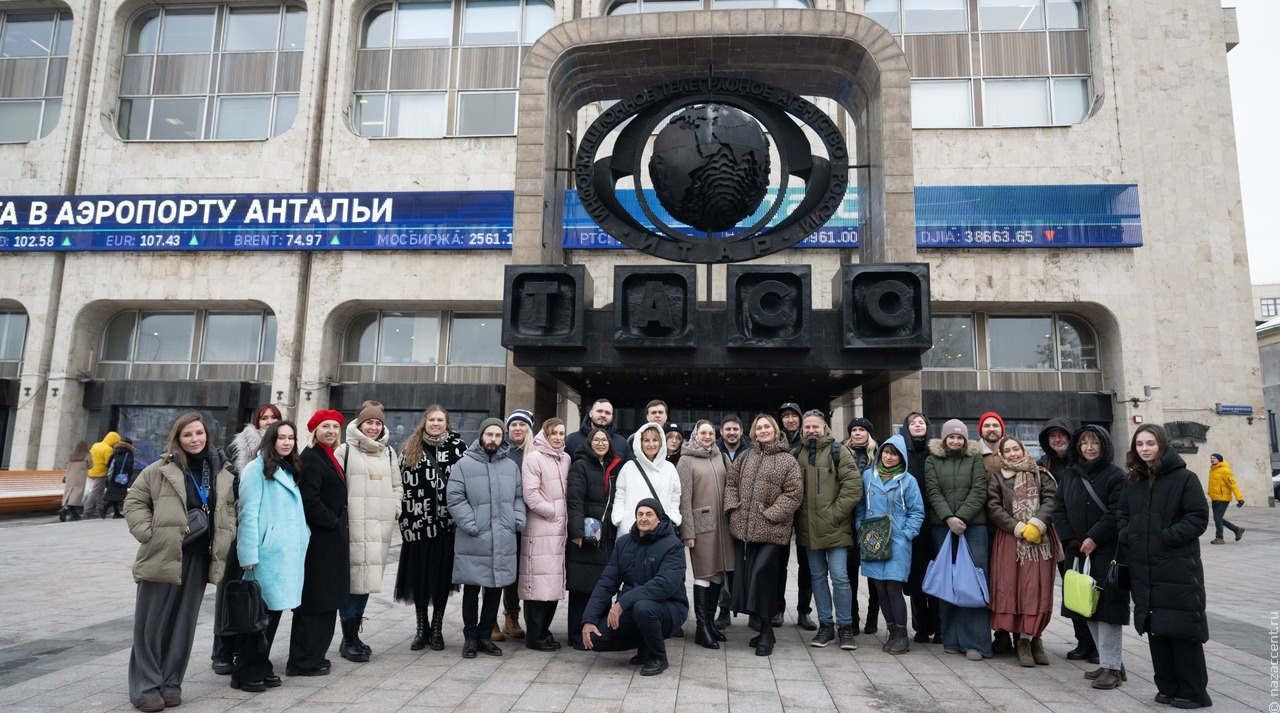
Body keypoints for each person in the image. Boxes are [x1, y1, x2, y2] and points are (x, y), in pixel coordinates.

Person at [124, 412, 234, 712]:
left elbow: (230, 507)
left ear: (207, 435)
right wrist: (150, 534)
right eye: (188, 435)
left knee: (183, 625)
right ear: (177, 439)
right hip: (163, 555)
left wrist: (228, 531)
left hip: (199, 558)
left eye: (199, 433)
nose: (195, 439)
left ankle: (171, 684)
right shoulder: (159, 469)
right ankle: (145, 688)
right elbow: (133, 502)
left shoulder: (219, 471)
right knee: (151, 625)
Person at [1118, 424, 1212, 709]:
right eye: (1140, 444)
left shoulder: (1185, 478)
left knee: (1181, 629)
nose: (1144, 449)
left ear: (1162, 445)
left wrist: (1165, 537)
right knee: (1156, 627)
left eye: (1150, 443)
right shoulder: (1133, 481)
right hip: (1144, 567)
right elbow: (1121, 513)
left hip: (1176, 567)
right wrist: (1129, 535)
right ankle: (1167, 686)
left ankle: (1194, 691)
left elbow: (1197, 517)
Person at [232, 421, 309, 692]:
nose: (287, 442)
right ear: (270, 440)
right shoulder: (255, 469)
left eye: (291, 438)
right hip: (265, 554)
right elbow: (248, 514)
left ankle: (261, 665)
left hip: (285, 554)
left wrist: (303, 536)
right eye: (281, 438)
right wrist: (248, 553)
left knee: (272, 615)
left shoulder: (288, 469)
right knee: (257, 617)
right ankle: (245, 671)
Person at [1053, 425, 1129, 691]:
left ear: (1104, 445)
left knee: (1108, 609)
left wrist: (1095, 537)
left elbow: (1117, 511)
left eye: (1094, 442)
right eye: (1083, 443)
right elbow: (1058, 508)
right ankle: (1111, 661)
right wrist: (1071, 540)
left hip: (1108, 552)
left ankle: (1111, 667)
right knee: (1088, 606)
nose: (1088, 447)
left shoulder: (1116, 476)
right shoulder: (1070, 475)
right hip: (1078, 550)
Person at [211, 404, 281, 676]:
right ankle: (222, 651)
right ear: (256, 421)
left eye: (274, 418)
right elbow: (225, 492)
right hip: (238, 527)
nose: (269, 422)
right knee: (230, 589)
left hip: (268, 532)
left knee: (256, 593)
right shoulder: (239, 448)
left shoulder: (283, 449)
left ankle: (245, 646)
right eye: (264, 418)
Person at [580, 499, 688, 676]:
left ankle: (658, 657)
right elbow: (606, 583)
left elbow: (664, 584)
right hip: (633, 608)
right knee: (594, 639)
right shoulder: (623, 544)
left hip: (670, 608)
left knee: (643, 607)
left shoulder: (673, 545)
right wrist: (589, 619)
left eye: (649, 514)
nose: (643, 518)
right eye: (640, 514)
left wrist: (622, 602)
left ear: (659, 518)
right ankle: (646, 642)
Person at [447, 417, 526, 659]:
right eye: (489, 434)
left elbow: (518, 497)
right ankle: (470, 638)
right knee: (472, 591)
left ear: (503, 438)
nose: (493, 439)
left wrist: (517, 520)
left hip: (503, 536)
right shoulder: (464, 465)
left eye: (498, 435)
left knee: (494, 590)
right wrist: (471, 524)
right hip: (475, 538)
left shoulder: (510, 466)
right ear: (482, 436)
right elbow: (455, 497)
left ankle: (485, 636)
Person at [724, 413, 802, 656]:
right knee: (750, 581)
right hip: (745, 532)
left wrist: (769, 514)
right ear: (754, 432)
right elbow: (731, 484)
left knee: (763, 580)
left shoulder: (787, 460)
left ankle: (766, 632)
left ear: (775, 430)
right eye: (759, 427)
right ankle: (763, 629)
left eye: (767, 426)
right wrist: (733, 508)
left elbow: (793, 494)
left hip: (772, 532)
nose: (763, 430)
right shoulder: (746, 456)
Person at [334, 400, 402, 663]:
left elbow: (398, 485)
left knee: (367, 583)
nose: (373, 427)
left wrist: (393, 509)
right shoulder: (345, 450)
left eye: (377, 423)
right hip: (352, 526)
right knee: (351, 583)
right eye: (368, 422)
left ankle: (352, 635)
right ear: (359, 423)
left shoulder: (388, 453)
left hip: (379, 527)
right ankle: (349, 638)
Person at [395, 405, 467, 651]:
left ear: (447, 423)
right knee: (419, 578)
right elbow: (400, 485)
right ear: (424, 422)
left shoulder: (459, 448)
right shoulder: (410, 448)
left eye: (440, 420)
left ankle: (437, 628)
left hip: (447, 526)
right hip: (416, 525)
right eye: (431, 419)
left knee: (440, 578)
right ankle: (421, 628)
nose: (435, 423)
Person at [986, 436, 1060, 668]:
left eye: (1015, 449)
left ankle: (1031, 639)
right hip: (1009, 540)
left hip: (1039, 542)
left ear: (1023, 450)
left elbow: (1051, 501)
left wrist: (1037, 524)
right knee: (1009, 588)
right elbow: (993, 506)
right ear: (1001, 455)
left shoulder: (1041, 474)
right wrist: (1018, 527)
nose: (1012, 454)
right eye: (1007, 451)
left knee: (1033, 589)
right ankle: (1018, 639)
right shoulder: (998, 477)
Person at [925, 419, 991, 660]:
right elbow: (933, 491)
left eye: (959, 437)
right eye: (950, 437)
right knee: (947, 580)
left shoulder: (974, 459)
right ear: (943, 440)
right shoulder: (933, 460)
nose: (955, 441)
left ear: (965, 440)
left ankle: (976, 643)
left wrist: (961, 517)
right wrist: (948, 518)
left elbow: (979, 490)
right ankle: (951, 639)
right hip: (942, 527)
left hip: (973, 526)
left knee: (972, 581)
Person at [289, 410, 349, 677]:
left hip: (329, 541)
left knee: (326, 601)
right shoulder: (312, 458)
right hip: (319, 541)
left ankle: (314, 656)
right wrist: (333, 522)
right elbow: (309, 501)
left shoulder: (329, 455)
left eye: (335, 427)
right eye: (325, 426)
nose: (331, 431)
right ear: (314, 430)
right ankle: (304, 661)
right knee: (316, 601)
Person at [795, 411, 861, 650]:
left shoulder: (839, 451)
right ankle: (826, 625)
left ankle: (845, 627)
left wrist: (834, 515)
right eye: (807, 427)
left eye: (815, 426)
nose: (811, 430)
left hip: (836, 529)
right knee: (817, 578)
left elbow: (853, 487)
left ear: (824, 428)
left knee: (840, 578)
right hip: (807, 530)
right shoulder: (797, 453)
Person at [856, 434, 925, 655]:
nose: (888, 456)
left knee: (893, 587)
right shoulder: (868, 476)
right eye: (886, 452)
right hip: (873, 538)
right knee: (880, 588)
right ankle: (892, 631)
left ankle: (902, 636)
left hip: (897, 540)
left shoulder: (908, 481)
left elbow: (917, 511)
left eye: (894, 453)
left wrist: (907, 533)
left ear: (901, 457)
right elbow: (859, 506)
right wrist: (861, 526)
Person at [1038, 417, 1095, 662]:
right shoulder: (1043, 465)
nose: (1058, 439)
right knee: (1073, 590)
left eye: (1062, 434)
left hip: (1090, 537)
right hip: (1060, 538)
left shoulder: (1084, 462)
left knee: (1094, 590)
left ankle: (1099, 644)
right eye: (1053, 436)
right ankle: (1083, 641)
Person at [676, 419, 733, 649]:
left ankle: (710, 622)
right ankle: (701, 628)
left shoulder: (720, 456)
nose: (708, 436)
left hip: (723, 526)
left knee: (719, 572)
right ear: (695, 434)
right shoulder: (686, 460)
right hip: (701, 526)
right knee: (703, 573)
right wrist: (687, 532)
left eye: (711, 432)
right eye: (703, 433)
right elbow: (683, 499)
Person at [566, 427, 622, 650]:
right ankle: (576, 634)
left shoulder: (612, 465)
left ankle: (596, 632)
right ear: (589, 443)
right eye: (596, 440)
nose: (600, 443)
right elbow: (574, 499)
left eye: (604, 440)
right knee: (582, 587)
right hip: (587, 535)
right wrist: (577, 531)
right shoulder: (580, 465)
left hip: (605, 535)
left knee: (601, 586)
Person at [520, 417, 572, 651]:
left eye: (562, 433)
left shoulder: (566, 458)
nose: (559, 437)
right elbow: (530, 495)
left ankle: (544, 631)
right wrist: (554, 512)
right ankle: (534, 636)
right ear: (546, 434)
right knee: (537, 584)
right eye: (554, 433)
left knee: (552, 583)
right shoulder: (534, 458)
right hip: (541, 528)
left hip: (559, 531)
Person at [774, 402, 815, 632]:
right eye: (786, 416)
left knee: (806, 564)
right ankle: (778, 608)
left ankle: (803, 611)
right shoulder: (776, 441)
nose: (790, 420)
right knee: (779, 562)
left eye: (793, 416)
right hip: (782, 507)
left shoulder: (808, 441)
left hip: (805, 508)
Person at [899, 411, 938, 644]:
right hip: (911, 522)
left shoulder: (936, 451)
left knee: (936, 574)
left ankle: (939, 625)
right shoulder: (902, 453)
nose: (917, 425)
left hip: (935, 522)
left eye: (921, 422)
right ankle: (921, 627)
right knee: (914, 578)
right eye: (912, 423)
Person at [498, 408, 535, 642]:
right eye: (514, 425)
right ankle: (489, 618)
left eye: (523, 425)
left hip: (529, 522)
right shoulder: (499, 451)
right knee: (498, 570)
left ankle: (512, 616)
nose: (518, 428)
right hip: (502, 520)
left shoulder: (534, 454)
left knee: (518, 572)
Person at [844, 416, 881, 635]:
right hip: (848, 522)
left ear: (869, 433)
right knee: (849, 573)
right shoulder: (842, 454)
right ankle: (853, 618)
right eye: (854, 429)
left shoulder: (878, 455)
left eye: (862, 430)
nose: (857, 433)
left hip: (873, 520)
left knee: (875, 574)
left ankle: (873, 618)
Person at [613, 422, 683, 535]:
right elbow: (620, 496)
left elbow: (675, 498)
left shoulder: (669, 468)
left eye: (655, 440)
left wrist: (673, 517)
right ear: (639, 443)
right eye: (646, 440)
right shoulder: (629, 467)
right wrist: (620, 518)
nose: (651, 444)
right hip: (631, 529)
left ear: (661, 443)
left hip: (661, 529)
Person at [713, 414, 749, 629]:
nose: (732, 433)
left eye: (735, 429)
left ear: (741, 431)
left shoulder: (751, 451)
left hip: (746, 516)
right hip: (721, 516)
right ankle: (724, 609)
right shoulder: (714, 452)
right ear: (721, 432)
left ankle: (752, 610)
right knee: (724, 567)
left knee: (748, 566)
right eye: (728, 429)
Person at [566, 398, 630, 461]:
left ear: (612, 417)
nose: (603, 415)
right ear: (591, 413)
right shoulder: (572, 440)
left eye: (607, 413)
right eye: (599, 411)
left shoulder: (622, 443)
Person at [1207, 453, 1245, 544]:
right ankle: (1237, 530)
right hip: (1215, 498)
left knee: (1217, 518)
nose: (1212, 459)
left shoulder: (1225, 471)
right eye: (1211, 458)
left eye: (1214, 458)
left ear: (1219, 460)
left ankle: (1219, 537)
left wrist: (1239, 498)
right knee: (1218, 518)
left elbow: (1233, 485)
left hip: (1223, 498)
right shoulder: (1212, 470)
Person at [86, 431, 121, 519]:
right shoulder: (108, 449)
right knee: (95, 491)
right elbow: (108, 463)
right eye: (116, 442)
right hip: (101, 472)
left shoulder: (96, 445)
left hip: (92, 470)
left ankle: (99, 508)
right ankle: (87, 509)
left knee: (100, 491)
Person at [102, 437, 137, 518]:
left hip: (113, 476)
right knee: (118, 495)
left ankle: (116, 513)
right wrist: (129, 474)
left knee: (115, 494)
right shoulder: (129, 453)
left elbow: (109, 463)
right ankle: (105, 508)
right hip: (122, 477)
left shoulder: (115, 452)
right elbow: (129, 466)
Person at [59, 440, 91, 521]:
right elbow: (90, 465)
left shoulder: (71, 456)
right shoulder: (87, 455)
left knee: (70, 496)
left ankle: (74, 515)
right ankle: (64, 510)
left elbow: (66, 465)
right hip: (79, 478)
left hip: (70, 478)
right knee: (75, 497)